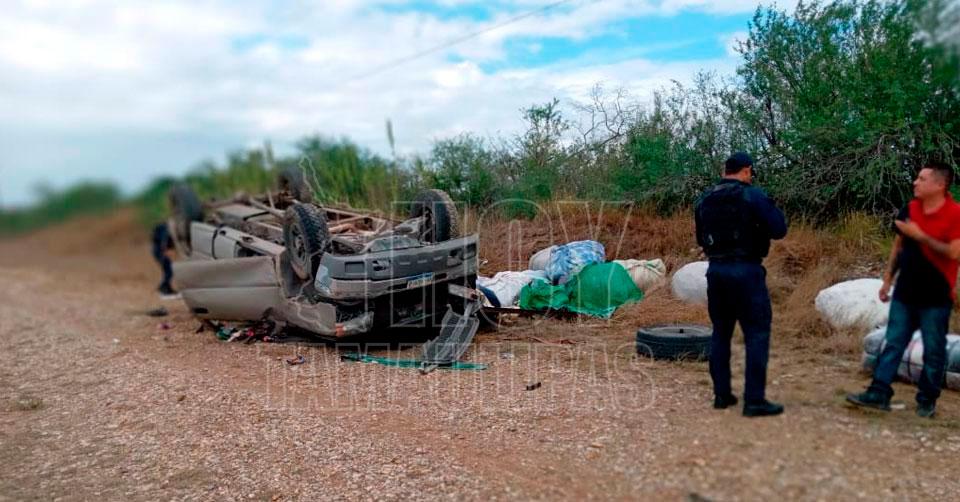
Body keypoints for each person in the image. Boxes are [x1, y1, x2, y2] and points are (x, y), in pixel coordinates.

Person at [847, 161, 960, 418]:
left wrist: (920, 235)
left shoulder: (955, 213)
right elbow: (898, 246)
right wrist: (887, 280)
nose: (915, 182)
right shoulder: (909, 209)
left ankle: (927, 400)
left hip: (936, 296)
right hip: (905, 291)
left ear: (940, 185)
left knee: (933, 349)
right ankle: (878, 392)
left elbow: (954, 252)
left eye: (922, 179)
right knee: (893, 342)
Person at [694, 152, 788, 417]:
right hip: (746, 270)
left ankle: (721, 395)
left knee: (720, 333)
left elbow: (702, 238)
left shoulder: (705, 199)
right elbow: (779, 229)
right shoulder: (753, 195)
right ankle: (754, 401)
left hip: (716, 271)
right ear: (746, 170)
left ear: (725, 170)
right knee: (757, 334)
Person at [152, 222, 177, 298]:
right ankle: (163, 286)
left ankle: (166, 286)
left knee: (168, 270)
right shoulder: (167, 228)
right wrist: (165, 251)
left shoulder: (165, 226)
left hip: (158, 249)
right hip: (160, 250)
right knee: (168, 270)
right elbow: (164, 240)